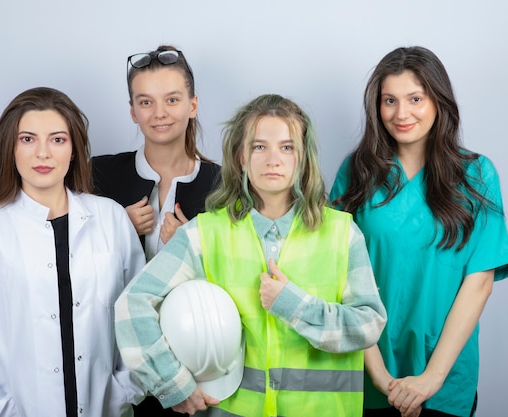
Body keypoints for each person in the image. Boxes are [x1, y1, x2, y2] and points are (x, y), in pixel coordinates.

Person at [115, 93, 387, 417]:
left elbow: (369, 325)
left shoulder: (343, 234)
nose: (274, 159)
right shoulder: (204, 235)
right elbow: (132, 305)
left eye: (287, 147)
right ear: (242, 158)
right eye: (259, 147)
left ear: (303, 159)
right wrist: (173, 386)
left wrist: (293, 305)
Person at [0, 87, 146, 417]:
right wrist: (0, 411)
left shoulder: (111, 218)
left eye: (58, 139)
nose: (43, 153)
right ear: (9, 148)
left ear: (74, 150)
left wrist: (122, 393)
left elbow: (141, 316)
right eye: (28, 139)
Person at [330, 46, 508, 417]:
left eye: (415, 98)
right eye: (389, 101)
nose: (402, 114)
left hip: (445, 376)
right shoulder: (357, 172)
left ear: (438, 100)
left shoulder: (477, 175)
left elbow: (479, 282)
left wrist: (431, 378)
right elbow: (337, 278)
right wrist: (382, 377)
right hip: (368, 372)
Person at [92, 45, 221, 263]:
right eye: (146, 102)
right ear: (133, 111)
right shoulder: (98, 174)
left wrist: (192, 247)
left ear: (192, 105)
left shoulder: (222, 185)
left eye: (172, 100)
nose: (159, 113)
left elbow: (236, 273)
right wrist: (119, 227)